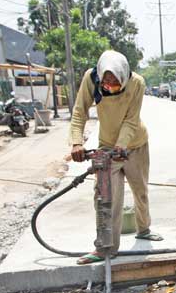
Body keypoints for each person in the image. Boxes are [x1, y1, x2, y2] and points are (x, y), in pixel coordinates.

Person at [69, 50, 163, 265]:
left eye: (115, 81)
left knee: (140, 191)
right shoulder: (90, 78)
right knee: (106, 197)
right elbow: (79, 111)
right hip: (107, 146)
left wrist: (122, 145)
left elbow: (131, 119)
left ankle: (144, 228)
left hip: (136, 144)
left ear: (124, 76)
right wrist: (76, 142)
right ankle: (105, 247)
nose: (110, 84)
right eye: (107, 80)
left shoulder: (137, 82)